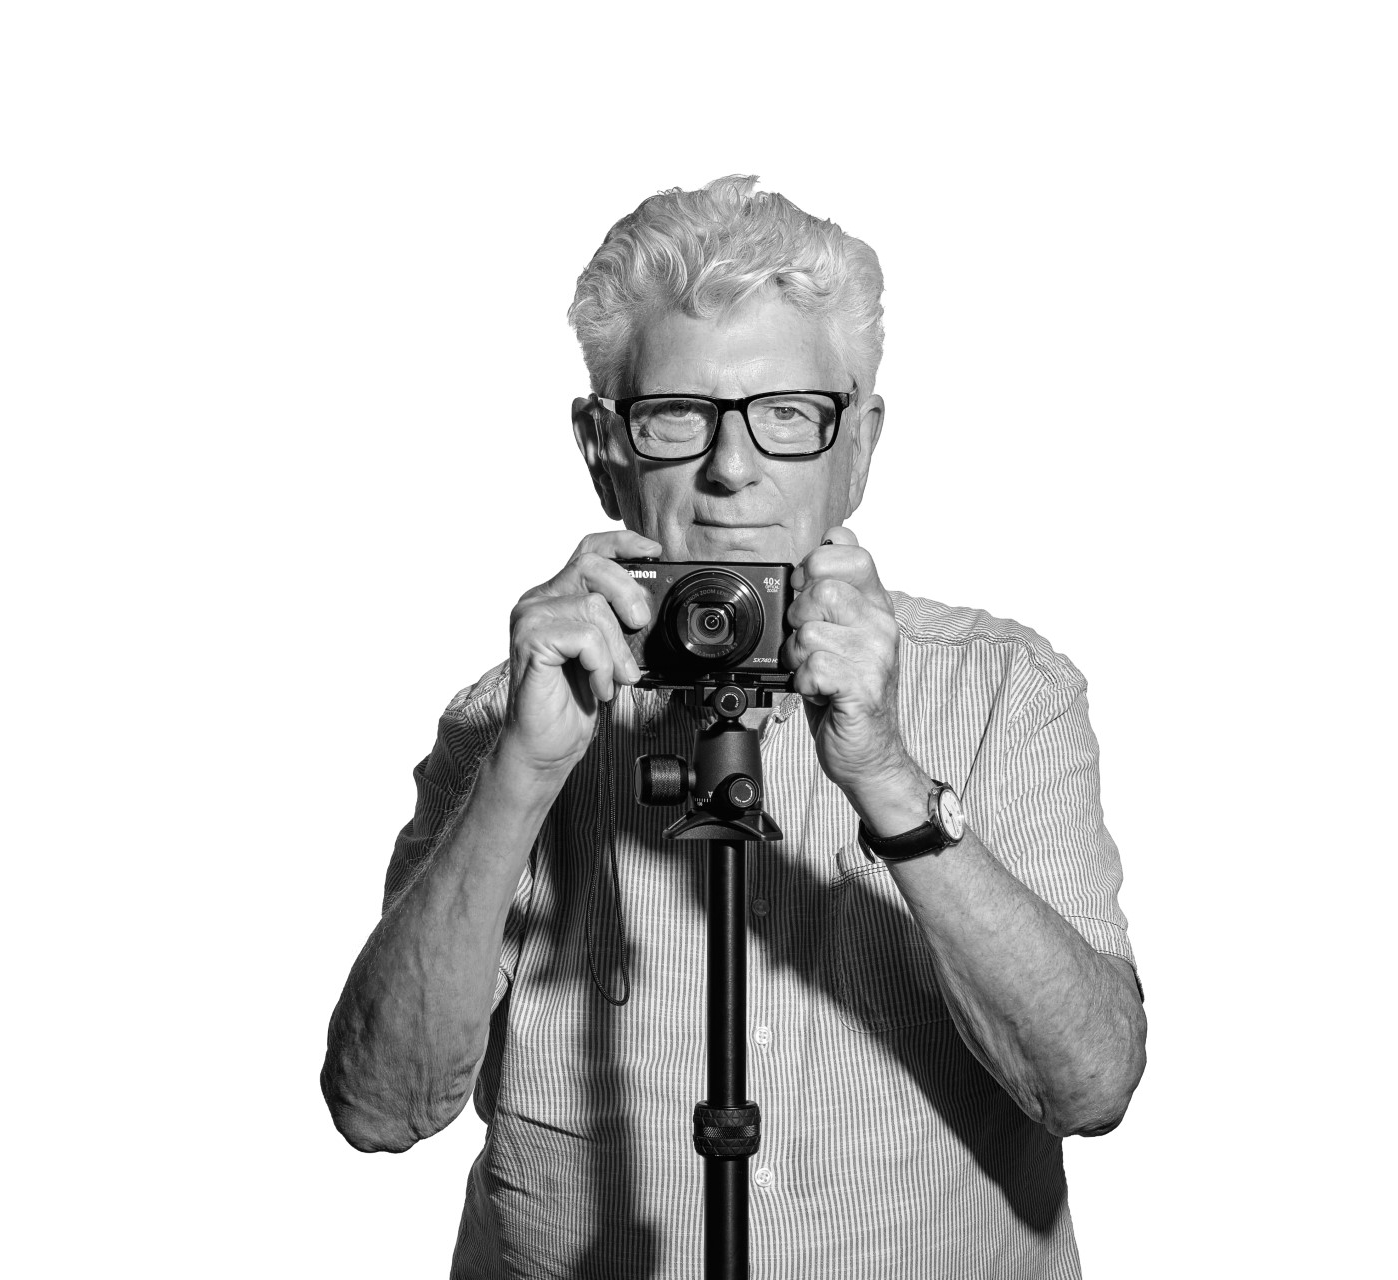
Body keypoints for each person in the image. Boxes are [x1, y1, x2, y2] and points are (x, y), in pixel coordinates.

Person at [322, 175, 1147, 1279]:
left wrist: (885, 772)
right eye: (676, 417)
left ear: (860, 446)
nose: (733, 467)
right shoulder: (506, 719)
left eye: (789, 416)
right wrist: (525, 771)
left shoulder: (1004, 691)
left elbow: (1089, 1086)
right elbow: (379, 1106)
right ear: (602, 448)